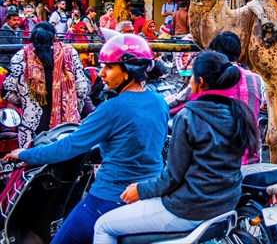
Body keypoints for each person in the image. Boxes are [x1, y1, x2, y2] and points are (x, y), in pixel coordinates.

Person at [3, 34, 169, 243]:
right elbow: (148, 141)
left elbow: (69, 146)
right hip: (149, 194)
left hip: (110, 197)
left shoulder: (111, 109)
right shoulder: (159, 102)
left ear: (128, 70)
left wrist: (26, 154)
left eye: (109, 67)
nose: (101, 74)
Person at [93, 51, 259, 243]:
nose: (190, 82)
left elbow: (172, 177)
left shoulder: (189, 116)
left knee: (103, 226)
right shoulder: (238, 112)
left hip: (188, 208)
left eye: (192, 77)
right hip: (225, 204)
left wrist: (140, 189)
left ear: (201, 82)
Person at [2, 22, 89, 147]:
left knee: (32, 162)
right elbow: (82, 89)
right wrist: (72, 105)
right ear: (54, 37)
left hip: (31, 128)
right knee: (65, 162)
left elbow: (7, 92)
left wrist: (26, 101)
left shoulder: (21, 56)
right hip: (65, 129)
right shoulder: (70, 53)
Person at [208, 31, 263, 164]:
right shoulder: (256, 78)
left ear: (216, 54)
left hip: (218, 159)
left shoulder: (210, 77)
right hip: (252, 156)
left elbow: (181, 100)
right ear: (238, 54)